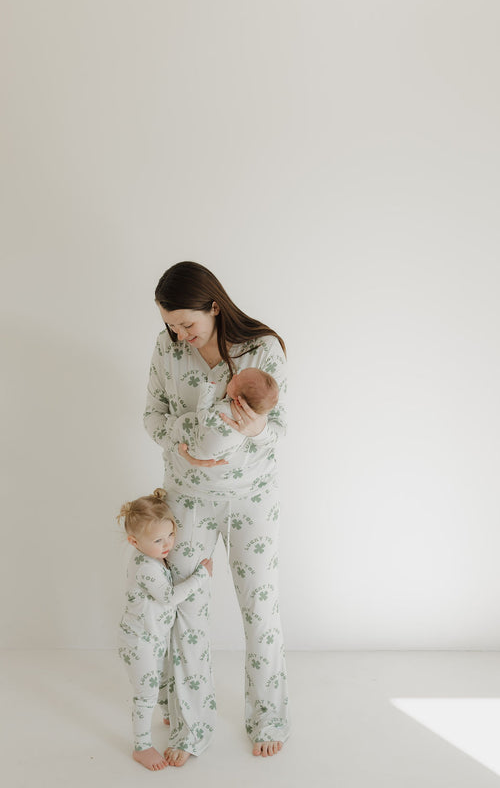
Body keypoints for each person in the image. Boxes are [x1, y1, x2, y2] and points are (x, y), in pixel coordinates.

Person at [144, 261, 290, 764]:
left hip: (252, 497)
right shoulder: (167, 348)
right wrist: (186, 442)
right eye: (170, 324)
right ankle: (189, 722)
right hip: (186, 496)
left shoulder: (263, 349)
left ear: (213, 305)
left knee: (261, 608)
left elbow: (280, 429)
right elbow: (152, 416)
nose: (179, 334)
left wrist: (253, 432)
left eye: (187, 324)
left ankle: (268, 715)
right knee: (185, 609)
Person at [117, 488, 213, 771]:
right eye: (158, 540)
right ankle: (142, 745)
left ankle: (167, 714)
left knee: (160, 678)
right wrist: (201, 577)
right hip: (138, 641)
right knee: (145, 692)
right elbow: (170, 597)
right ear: (134, 541)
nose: (167, 543)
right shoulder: (145, 567)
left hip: (153, 637)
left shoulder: (156, 557)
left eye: (170, 535)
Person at [165, 367, 279, 462]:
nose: (234, 376)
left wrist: (207, 392)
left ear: (239, 401)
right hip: (221, 455)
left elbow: (203, 418)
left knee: (187, 420)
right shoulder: (256, 417)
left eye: (236, 379)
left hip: (198, 449)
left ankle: (171, 427)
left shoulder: (224, 411)